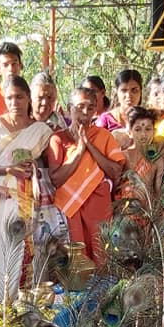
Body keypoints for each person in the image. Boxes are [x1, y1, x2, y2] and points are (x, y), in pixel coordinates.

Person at [0, 75, 52, 302]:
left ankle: (25, 302)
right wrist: (8, 170)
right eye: (9, 98)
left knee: (29, 246)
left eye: (19, 97)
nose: (14, 103)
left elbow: (48, 164)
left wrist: (34, 167)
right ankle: (0, 302)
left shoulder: (40, 130)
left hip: (30, 195)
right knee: (3, 245)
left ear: (28, 98)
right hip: (2, 195)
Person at [46, 87, 126, 265]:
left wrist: (89, 144)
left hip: (99, 207)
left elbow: (115, 172)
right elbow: (57, 179)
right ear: (69, 108)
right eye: (80, 106)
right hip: (71, 209)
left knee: (102, 256)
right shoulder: (58, 139)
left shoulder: (103, 136)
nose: (85, 112)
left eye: (90, 107)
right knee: (77, 260)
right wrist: (79, 150)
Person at [119, 106, 164, 203]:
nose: (143, 134)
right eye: (138, 130)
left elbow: (157, 192)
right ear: (130, 132)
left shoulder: (158, 161)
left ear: (154, 132)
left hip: (147, 212)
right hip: (125, 211)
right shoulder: (123, 156)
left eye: (148, 129)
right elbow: (115, 187)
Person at [96, 69, 143, 140]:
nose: (129, 95)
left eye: (134, 90)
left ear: (140, 92)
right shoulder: (106, 120)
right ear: (117, 92)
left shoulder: (147, 118)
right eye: (124, 90)